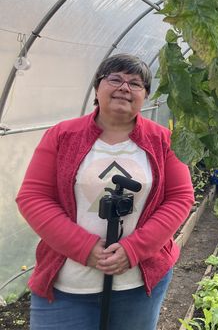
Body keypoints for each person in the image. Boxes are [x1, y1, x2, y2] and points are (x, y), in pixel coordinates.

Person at [16, 53, 195, 330]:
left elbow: (180, 198)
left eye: (136, 84)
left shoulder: (163, 141)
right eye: (115, 79)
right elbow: (33, 197)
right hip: (68, 283)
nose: (125, 87)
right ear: (97, 88)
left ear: (145, 95)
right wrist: (84, 248)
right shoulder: (62, 135)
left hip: (137, 282)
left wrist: (132, 249)